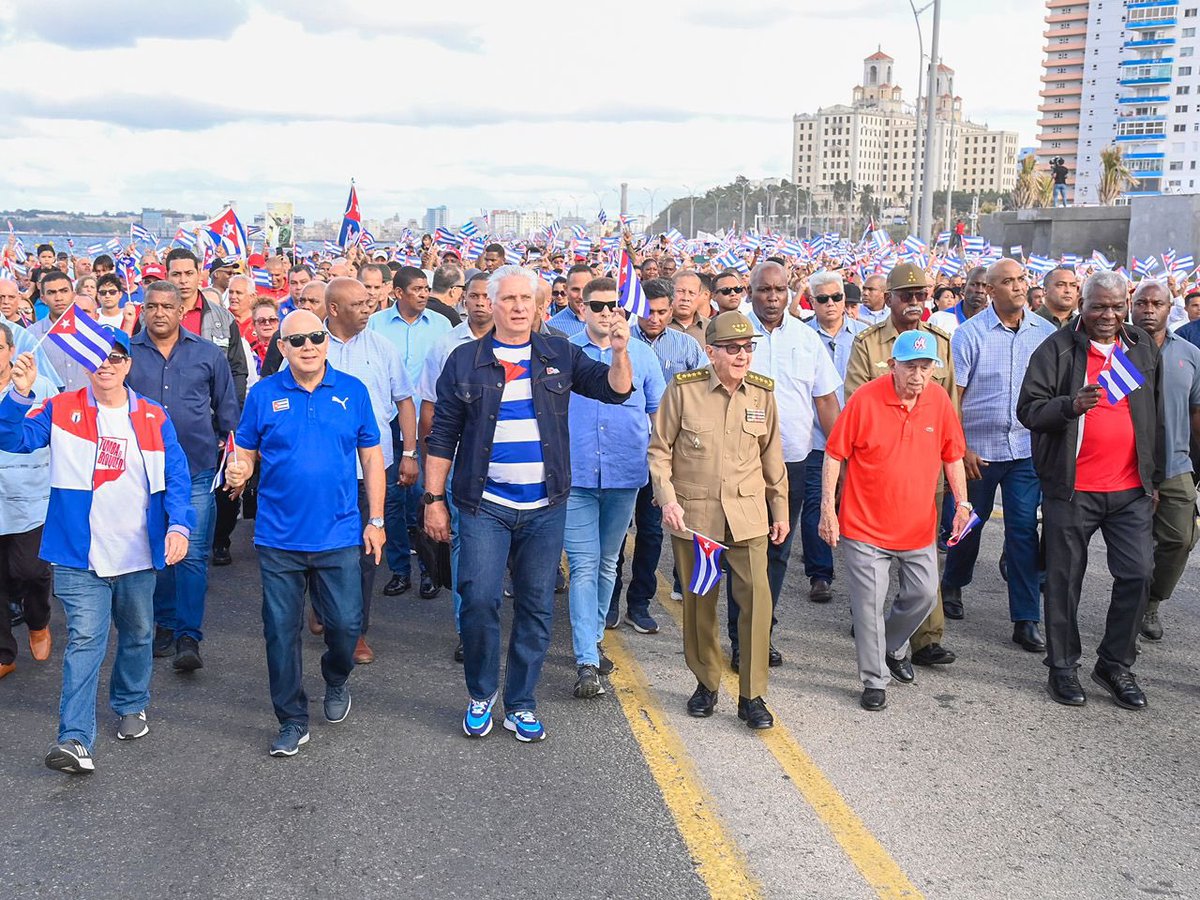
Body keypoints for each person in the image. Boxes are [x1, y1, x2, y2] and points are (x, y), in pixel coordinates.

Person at [424, 265, 633, 743]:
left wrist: (620, 352)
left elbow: (614, 390)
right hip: (483, 504)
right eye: (509, 299)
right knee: (477, 599)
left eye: (527, 299)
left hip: (545, 505)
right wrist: (434, 499)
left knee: (537, 606)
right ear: (491, 304)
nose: (518, 307)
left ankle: (521, 703)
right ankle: (481, 694)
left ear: (539, 306)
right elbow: (442, 436)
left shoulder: (560, 351)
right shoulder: (463, 361)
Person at [0, 329, 193, 774]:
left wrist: (179, 525)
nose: (105, 364)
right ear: (87, 365)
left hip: (139, 552)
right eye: (98, 358)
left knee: (139, 633)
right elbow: (12, 439)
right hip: (78, 554)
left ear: (128, 365)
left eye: (116, 357)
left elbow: (178, 475)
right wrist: (18, 392)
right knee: (85, 640)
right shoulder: (61, 408)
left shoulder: (153, 415)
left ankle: (130, 701)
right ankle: (73, 739)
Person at [225, 309, 385, 757]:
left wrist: (376, 520)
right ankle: (292, 718)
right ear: (283, 348)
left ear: (327, 341)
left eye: (316, 336)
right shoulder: (263, 393)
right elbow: (245, 449)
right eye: (297, 341)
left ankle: (335, 678)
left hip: (339, 534)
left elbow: (371, 458)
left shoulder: (352, 392)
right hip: (278, 538)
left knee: (346, 625)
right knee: (279, 630)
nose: (308, 346)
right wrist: (241, 469)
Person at [1017, 270, 1163, 710]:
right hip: (1072, 488)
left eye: (1118, 307)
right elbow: (1028, 410)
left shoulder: (1139, 346)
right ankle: (1062, 667)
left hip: (1129, 489)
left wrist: (1152, 478)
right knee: (1063, 580)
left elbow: (1153, 413)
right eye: (1099, 305)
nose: (1108, 315)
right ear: (1083, 302)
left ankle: (1115, 664)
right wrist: (1068, 406)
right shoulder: (1057, 348)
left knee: (1138, 574)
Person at [649, 310, 788, 729]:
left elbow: (772, 458)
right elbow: (659, 452)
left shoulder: (762, 395)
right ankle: (706, 683)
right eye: (732, 348)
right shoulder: (684, 391)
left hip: (747, 518)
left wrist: (779, 510)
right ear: (711, 351)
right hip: (699, 521)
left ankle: (753, 695)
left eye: (748, 348)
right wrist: (668, 499)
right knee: (700, 604)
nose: (742, 355)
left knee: (757, 602)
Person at [820, 330, 969, 711]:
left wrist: (963, 504)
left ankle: (893, 645)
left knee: (922, 594)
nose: (918, 376)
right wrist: (827, 511)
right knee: (868, 605)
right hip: (864, 526)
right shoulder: (865, 400)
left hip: (918, 526)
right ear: (893, 366)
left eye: (926, 367)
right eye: (910, 367)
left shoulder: (938, 400)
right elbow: (834, 454)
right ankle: (874, 679)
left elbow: (953, 455)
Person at [845, 262, 958, 668]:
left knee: (925, 560)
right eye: (906, 295)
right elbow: (859, 403)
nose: (914, 302)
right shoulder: (869, 343)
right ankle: (877, 632)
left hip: (927, 463)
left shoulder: (941, 343)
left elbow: (948, 409)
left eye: (920, 295)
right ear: (889, 298)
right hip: (878, 468)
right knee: (873, 560)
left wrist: (951, 465)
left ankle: (922, 637)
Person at [731, 263, 840, 668]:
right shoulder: (732, 332)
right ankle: (740, 637)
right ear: (751, 291)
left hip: (792, 463)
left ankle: (762, 632)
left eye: (780, 290)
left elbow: (826, 401)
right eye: (764, 290)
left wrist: (842, 454)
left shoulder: (806, 338)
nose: (773, 297)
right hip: (739, 463)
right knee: (742, 553)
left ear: (791, 294)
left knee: (777, 549)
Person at [941, 259, 1053, 649]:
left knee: (1023, 532)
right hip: (979, 452)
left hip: (1025, 450)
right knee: (967, 525)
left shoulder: (1045, 332)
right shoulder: (969, 335)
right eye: (1008, 281)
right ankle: (953, 584)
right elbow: (954, 395)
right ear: (990, 291)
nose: (1019, 287)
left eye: (1022, 279)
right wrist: (962, 447)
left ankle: (1025, 617)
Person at [127, 280, 239, 672]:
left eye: (166, 307)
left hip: (195, 468)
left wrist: (236, 463)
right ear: (144, 310)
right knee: (158, 551)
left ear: (180, 311)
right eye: (152, 306)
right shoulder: (124, 354)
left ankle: (189, 635)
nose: (159, 313)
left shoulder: (208, 354)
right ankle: (166, 623)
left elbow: (227, 411)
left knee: (191, 554)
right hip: (141, 471)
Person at [565, 278, 665, 698]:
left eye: (615, 306)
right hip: (576, 476)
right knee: (584, 565)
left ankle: (595, 638)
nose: (607, 313)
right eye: (599, 305)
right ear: (582, 308)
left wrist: (664, 477)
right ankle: (587, 657)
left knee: (608, 563)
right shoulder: (565, 352)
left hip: (624, 474)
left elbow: (660, 414)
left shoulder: (641, 355)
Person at [315, 278, 418, 664]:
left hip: (371, 469)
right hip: (319, 472)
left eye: (369, 301)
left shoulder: (382, 348)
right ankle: (322, 604)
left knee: (365, 550)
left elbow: (404, 401)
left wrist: (410, 451)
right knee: (319, 546)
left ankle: (356, 630)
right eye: (358, 303)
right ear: (335, 309)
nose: (368, 307)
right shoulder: (310, 346)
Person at [609, 280, 706, 626]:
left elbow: (703, 392)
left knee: (651, 532)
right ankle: (610, 601)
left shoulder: (687, 347)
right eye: (649, 311)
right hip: (625, 449)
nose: (656, 318)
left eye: (663, 312)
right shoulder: (620, 343)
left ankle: (640, 602)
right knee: (617, 532)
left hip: (664, 456)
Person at [416, 272, 494, 661]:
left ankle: (491, 620)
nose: (480, 303)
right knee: (464, 544)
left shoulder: (520, 344)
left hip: (509, 465)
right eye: (474, 296)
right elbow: (429, 406)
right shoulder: (445, 346)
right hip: (460, 460)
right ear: (464, 300)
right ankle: (468, 629)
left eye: (486, 296)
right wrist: (427, 457)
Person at [369, 266, 451, 599]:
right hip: (388, 422)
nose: (423, 294)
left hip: (428, 421)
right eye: (416, 288)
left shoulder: (443, 326)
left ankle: (429, 572)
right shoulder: (375, 325)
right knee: (391, 499)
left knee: (424, 498)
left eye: (425, 288)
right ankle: (400, 569)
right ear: (398, 293)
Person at [1129, 280, 1200, 642]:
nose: (1148, 309)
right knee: (1131, 548)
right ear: (1131, 305)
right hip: (1124, 467)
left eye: (1157, 303)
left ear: (1170, 308)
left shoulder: (1190, 354)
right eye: (1142, 302)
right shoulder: (1114, 351)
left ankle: (1151, 602)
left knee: (1181, 539)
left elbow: (1196, 414)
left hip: (1175, 465)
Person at [806, 270, 868, 601]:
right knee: (818, 501)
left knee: (860, 504)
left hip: (862, 438)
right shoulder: (801, 335)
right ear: (811, 301)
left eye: (837, 297)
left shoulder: (864, 336)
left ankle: (866, 574)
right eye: (823, 299)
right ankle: (820, 574)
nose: (831, 304)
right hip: (816, 437)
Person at [0, 323, 57, 680]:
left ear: (10, 349)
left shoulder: (41, 387)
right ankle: (4, 653)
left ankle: (38, 620)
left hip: (30, 497)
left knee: (29, 570)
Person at [165, 249, 247, 402]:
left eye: (189, 273)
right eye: (176, 274)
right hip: (161, 413)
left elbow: (237, 369)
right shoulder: (148, 318)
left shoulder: (224, 318)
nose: (183, 280)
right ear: (166, 277)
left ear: (199, 274)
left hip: (209, 412)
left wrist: (231, 410)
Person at [928, 267, 990, 336]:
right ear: (963, 288)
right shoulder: (938, 319)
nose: (979, 290)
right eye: (974, 285)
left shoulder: (994, 322)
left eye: (985, 286)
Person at [546, 264, 592, 338]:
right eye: (575, 289)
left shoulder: (608, 321)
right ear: (566, 289)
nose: (581, 296)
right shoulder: (551, 327)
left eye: (586, 289)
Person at [668, 271, 709, 344]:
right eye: (680, 291)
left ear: (699, 296)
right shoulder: (658, 325)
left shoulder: (710, 327)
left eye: (692, 293)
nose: (686, 298)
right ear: (671, 293)